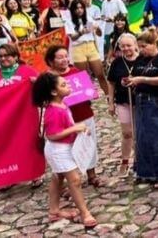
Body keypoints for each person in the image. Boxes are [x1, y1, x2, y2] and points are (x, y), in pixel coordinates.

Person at [32, 73, 97, 229]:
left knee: (58, 177)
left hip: (64, 147)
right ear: (54, 92)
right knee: (74, 180)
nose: (68, 86)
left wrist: (79, 130)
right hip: (59, 150)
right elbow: (53, 135)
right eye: (63, 85)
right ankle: (85, 212)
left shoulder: (62, 105)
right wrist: (75, 128)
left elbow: (67, 126)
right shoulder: (54, 110)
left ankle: (54, 210)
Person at [45, 45, 102, 187]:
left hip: (83, 113)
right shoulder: (48, 78)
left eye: (65, 56)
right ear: (51, 60)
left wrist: (90, 92)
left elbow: (88, 92)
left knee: (88, 144)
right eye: (60, 57)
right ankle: (68, 180)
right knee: (66, 149)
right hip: (63, 119)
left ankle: (92, 175)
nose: (64, 60)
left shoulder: (76, 72)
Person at [126, 31, 158, 184]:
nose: (141, 50)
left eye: (144, 46)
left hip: (156, 101)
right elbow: (135, 75)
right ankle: (144, 172)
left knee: (157, 138)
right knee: (142, 137)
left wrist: (143, 79)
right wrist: (130, 81)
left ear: (154, 44)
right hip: (140, 100)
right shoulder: (140, 59)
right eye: (139, 47)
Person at [106, 33, 140, 177]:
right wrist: (111, 103)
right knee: (127, 133)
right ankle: (125, 161)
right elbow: (111, 83)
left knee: (140, 133)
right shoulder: (117, 62)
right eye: (123, 46)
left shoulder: (142, 60)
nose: (126, 49)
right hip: (122, 101)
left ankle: (140, 160)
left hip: (140, 102)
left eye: (129, 45)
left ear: (135, 45)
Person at [65, 0, 108, 97]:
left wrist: (97, 28)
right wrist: (81, 32)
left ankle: (108, 95)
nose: (79, 10)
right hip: (78, 48)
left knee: (100, 73)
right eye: (77, 8)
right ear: (73, 10)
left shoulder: (88, 18)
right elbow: (72, 37)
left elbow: (99, 34)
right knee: (83, 76)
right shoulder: (69, 21)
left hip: (91, 46)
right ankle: (86, 97)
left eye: (81, 8)